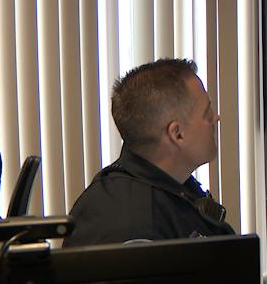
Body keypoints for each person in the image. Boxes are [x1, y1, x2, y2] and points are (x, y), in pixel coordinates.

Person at [64, 58, 235, 246]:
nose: (216, 117)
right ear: (177, 134)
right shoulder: (137, 226)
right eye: (206, 112)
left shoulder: (168, 186)